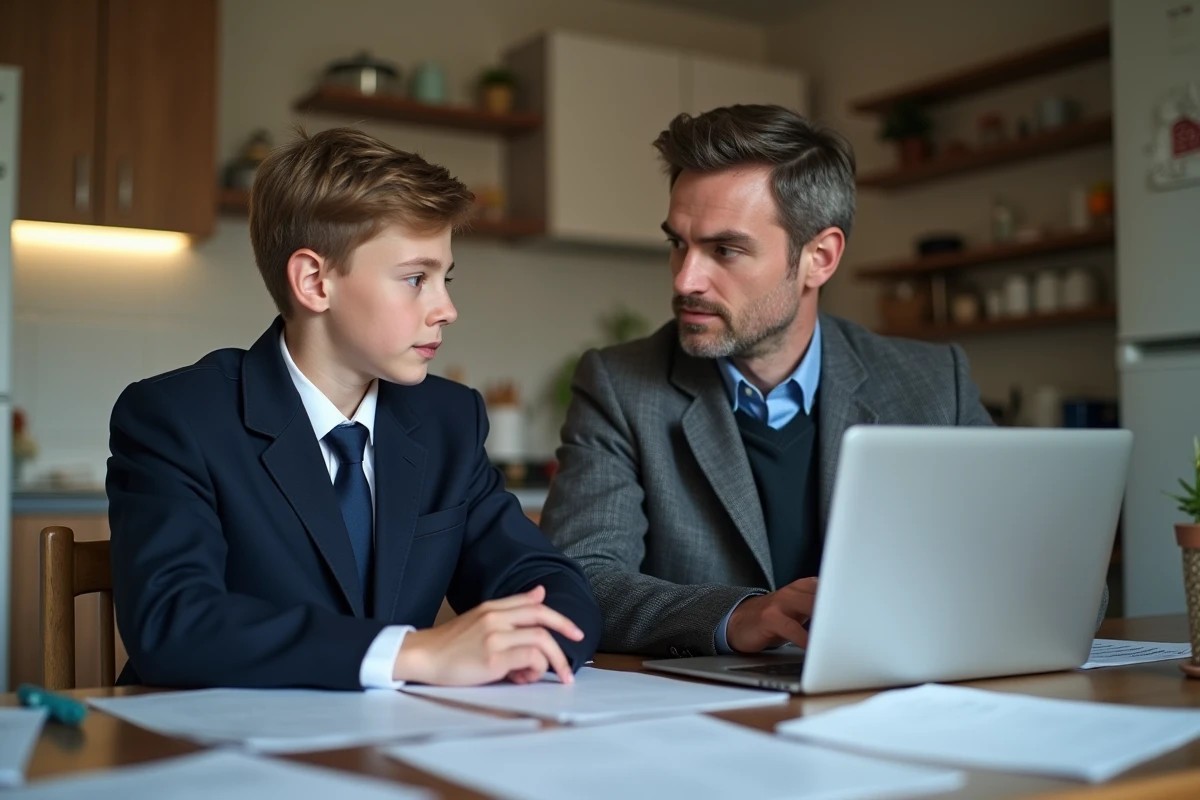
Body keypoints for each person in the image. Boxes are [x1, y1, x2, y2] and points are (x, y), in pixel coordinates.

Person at [542, 104, 1105, 658]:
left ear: (820, 257)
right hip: (703, 719)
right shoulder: (620, 385)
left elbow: (1055, 577)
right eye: (678, 243)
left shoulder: (934, 383)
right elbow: (581, 580)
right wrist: (737, 616)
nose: (687, 277)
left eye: (725, 249)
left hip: (897, 706)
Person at [107, 127, 600, 690]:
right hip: (212, 749)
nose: (447, 309)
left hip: (388, 748)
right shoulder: (177, 418)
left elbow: (547, 583)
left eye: (445, 277)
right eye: (416, 278)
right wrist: (412, 655)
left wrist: (531, 646)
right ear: (315, 281)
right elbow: (174, 623)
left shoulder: (448, 420)